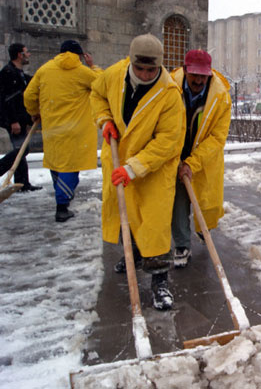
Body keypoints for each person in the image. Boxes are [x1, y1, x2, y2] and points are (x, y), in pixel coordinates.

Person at [90, 33, 185, 311]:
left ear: (160, 66)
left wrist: (135, 168)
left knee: (154, 224)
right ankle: (132, 255)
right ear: (131, 62)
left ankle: (159, 282)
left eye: (151, 69)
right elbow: (97, 95)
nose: (144, 74)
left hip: (153, 168)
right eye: (140, 68)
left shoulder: (169, 94)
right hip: (119, 158)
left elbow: (168, 141)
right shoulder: (114, 74)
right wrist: (104, 119)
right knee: (125, 215)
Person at [23, 40, 101, 221]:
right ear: (79, 55)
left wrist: (34, 112)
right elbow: (102, 84)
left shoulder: (45, 70)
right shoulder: (83, 72)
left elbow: (29, 95)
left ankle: (62, 196)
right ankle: (62, 206)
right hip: (76, 130)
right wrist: (93, 67)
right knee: (70, 167)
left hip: (52, 128)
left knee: (57, 163)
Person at [169, 49, 231, 268]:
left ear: (210, 74)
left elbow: (217, 137)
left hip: (205, 157)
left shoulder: (221, 97)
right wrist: (175, 158)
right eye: (193, 74)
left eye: (202, 76)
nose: (198, 80)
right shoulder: (169, 88)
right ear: (185, 70)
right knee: (178, 202)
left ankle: (203, 228)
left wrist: (192, 163)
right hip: (173, 154)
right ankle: (182, 244)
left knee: (206, 201)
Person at [0, 43, 42, 192]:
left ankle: (23, 184)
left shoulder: (18, 73)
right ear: (19, 55)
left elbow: (32, 82)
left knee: (21, 148)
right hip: (13, 120)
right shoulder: (8, 73)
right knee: (21, 150)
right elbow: (8, 99)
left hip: (20, 119)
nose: (28, 54)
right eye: (26, 52)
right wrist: (13, 121)